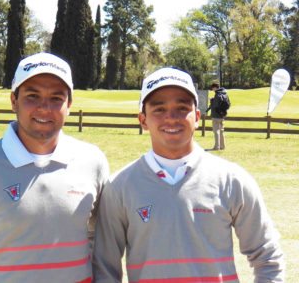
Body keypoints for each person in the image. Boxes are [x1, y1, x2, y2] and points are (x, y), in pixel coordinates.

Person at [92, 67, 284, 282]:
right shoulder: (119, 186)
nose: (171, 118)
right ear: (143, 120)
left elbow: (268, 257)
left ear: (198, 117)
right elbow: (105, 268)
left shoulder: (232, 180)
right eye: (159, 109)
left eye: (182, 108)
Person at [0, 52, 109, 282]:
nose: (44, 107)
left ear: (69, 104)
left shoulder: (93, 161)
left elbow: (103, 245)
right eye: (32, 96)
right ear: (14, 100)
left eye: (56, 98)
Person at [206, 83, 230, 150]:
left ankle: (217, 146)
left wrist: (211, 100)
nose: (212, 90)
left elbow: (215, 106)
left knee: (216, 131)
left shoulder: (217, 94)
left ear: (215, 87)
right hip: (222, 115)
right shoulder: (225, 93)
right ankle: (222, 146)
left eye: (213, 88)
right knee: (221, 131)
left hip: (216, 115)